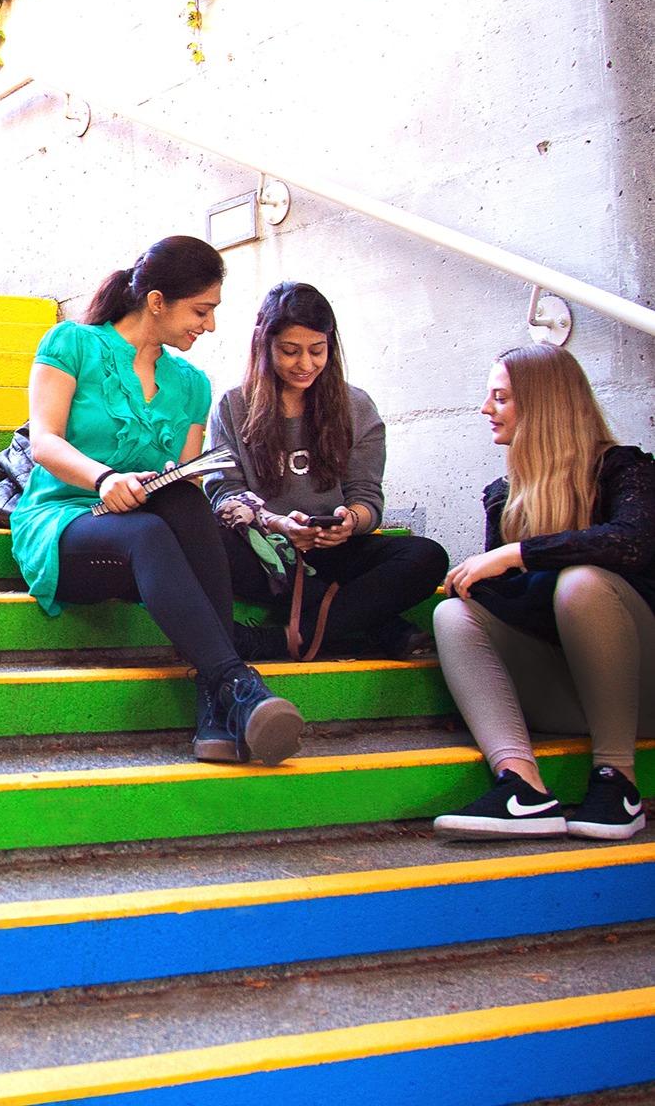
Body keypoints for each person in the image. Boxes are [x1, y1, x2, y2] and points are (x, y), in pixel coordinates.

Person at [10, 235, 304, 766]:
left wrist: (165, 480)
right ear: (156, 301)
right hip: (65, 522)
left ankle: (221, 703)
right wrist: (104, 480)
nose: (209, 325)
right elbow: (45, 441)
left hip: (149, 538)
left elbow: (186, 484)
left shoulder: (190, 383)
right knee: (149, 533)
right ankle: (233, 686)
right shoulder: (71, 344)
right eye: (202, 310)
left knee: (187, 506)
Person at [433, 344, 655, 841]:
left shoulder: (624, 470)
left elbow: (632, 545)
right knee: (454, 613)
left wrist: (518, 554)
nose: (485, 409)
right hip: (567, 694)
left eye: (501, 397)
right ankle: (522, 787)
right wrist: (483, 583)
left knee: (584, 583)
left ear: (543, 405)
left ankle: (618, 782)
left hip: (643, 686)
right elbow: (518, 609)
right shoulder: (504, 495)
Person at [205, 281, 448, 662]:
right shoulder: (233, 405)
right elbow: (223, 495)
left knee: (427, 556)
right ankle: (380, 627)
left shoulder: (357, 406)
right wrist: (280, 525)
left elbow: (367, 497)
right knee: (208, 541)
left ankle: (282, 640)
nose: (305, 364)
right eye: (290, 351)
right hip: (266, 550)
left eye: (317, 351)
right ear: (263, 346)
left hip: (335, 549)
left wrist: (349, 522)